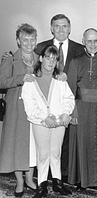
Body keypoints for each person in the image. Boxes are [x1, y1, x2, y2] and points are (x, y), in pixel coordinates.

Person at [34, 14, 85, 183]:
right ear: (51, 28)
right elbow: (32, 68)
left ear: (69, 28)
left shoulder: (79, 49)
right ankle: (44, 178)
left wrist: (73, 110)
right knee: (43, 147)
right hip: (44, 105)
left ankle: (61, 177)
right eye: (57, 26)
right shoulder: (40, 47)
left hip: (67, 104)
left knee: (63, 144)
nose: (61, 29)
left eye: (64, 26)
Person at [21, 45, 75, 197]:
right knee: (43, 154)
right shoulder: (31, 81)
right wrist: (44, 117)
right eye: (48, 57)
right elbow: (29, 105)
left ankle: (57, 183)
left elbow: (68, 98)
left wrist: (65, 114)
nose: (51, 62)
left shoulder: (60, 80)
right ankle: (41, 186)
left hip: (58, 122)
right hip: (41, 123)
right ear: (41, 58)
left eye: (54, 59)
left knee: (56, 153)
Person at [67, 28, 97, 190]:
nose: (92, 44)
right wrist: (72, 112)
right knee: (83, 143)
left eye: (95, 41)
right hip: (82, 109)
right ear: (83, 42)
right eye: (89, 41)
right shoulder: (76, 61)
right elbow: (70, 90)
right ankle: (83, 179)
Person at [0, 23, 39, 197]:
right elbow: (2, 82)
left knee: (32, 146)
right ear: (18, 41)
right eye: (25, 40)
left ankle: (30, 179)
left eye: (32, 40)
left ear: (36, 41)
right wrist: (20, 78)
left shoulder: (41, 59)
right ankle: (20, 182)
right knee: (16, 145)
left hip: (35, 111)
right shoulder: (10, 59)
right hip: (16, 110)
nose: (29, 43)